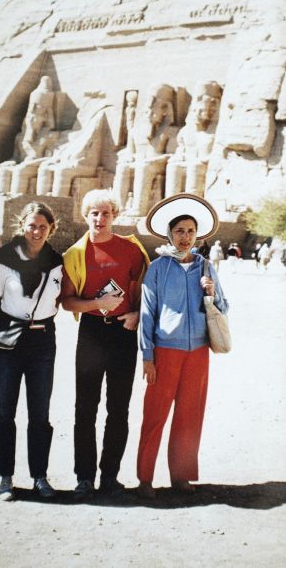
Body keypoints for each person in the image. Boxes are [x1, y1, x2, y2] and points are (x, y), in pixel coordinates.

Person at [137, 193, 228, 499]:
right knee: (155, 414)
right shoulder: (158, 268)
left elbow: (224, 306)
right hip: (165, 351)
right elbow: (147, 314)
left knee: (190, 415)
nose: (185, 237)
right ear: (170, 235)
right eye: (179, 231)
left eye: (190, 231)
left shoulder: (206, 267)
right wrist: (147, 356)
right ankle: (145, 477)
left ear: (197, 234)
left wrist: (212, 293)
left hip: (198, 353)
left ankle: (181, 476)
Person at [61, 189, 149, 499]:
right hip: (92, 333)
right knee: (85, 408)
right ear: (85, 216)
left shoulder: (131, 249)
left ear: (115, 215)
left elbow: (144, 293)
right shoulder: (74, 254)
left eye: (106, 213)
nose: (100, 219)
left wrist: (137, 313)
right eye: (94, 213)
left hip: (124, 333)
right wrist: (95, 303)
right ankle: (84, 477)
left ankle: (109, 476)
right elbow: (68, 302)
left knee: (118, 408)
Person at [0, 202, 63, 501]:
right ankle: (6, 477)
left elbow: (58, 298)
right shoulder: (5, 257)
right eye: (32, 226)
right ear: (23, 226)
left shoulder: (55, 260)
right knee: (5, 411)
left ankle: (39, 477)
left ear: (51, 229)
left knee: (40, 413)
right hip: (9, 341)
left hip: (42, 342)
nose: (36, 232)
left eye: (43, 227)